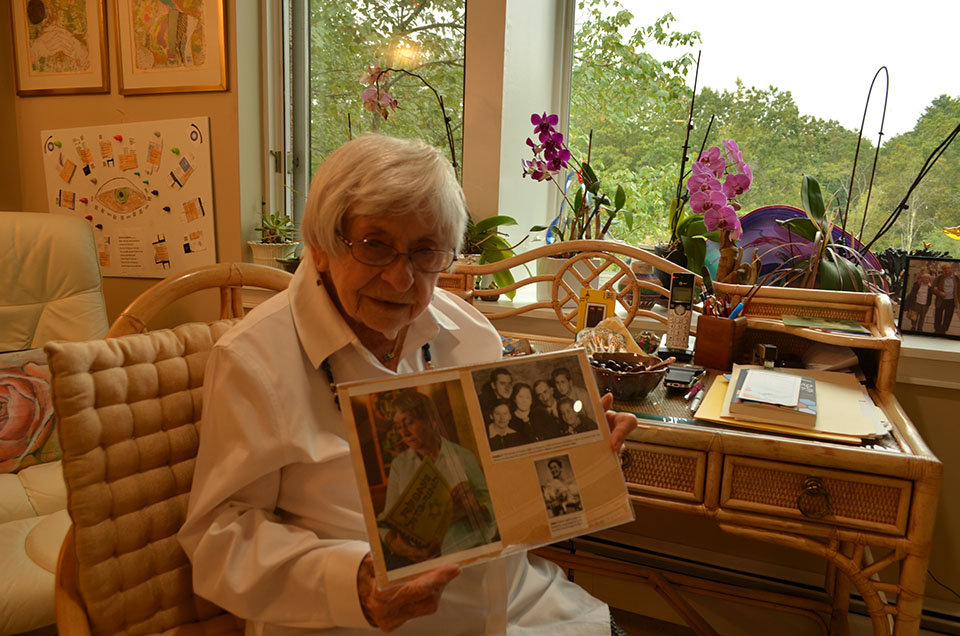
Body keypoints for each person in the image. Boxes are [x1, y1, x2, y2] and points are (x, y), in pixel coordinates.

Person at [177, 133, 638, 635]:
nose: (401, 279)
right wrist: (352, 583)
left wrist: (577, 462)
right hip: (358, 622)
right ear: (322, 247)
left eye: (425, 252)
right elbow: (219, 542)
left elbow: (501, 495)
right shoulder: (254, 360)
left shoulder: (470, 335)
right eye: (375, 246)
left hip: (517, 604)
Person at [380, 390, 495, 562]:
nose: (404, 433)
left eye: (409, 422)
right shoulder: (400, 465)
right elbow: (385, 521)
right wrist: (399, 547)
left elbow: (495, 505)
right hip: (425, 559)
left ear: (432, 422)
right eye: (398, 427)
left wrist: (477, 506)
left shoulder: (463, 456)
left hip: (470, 548)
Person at [932, 262, 960, 334]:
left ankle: (943, 330)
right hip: (941, 300)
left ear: (951, 269)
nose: (947, 270)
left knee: (948, 316)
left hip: (951, 300)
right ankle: (937, 330)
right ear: (943, 270)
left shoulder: (956, 278)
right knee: (938, 315)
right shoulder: (939, 278)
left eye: (948, 268)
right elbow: (933, 289)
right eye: (945, 269)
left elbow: (958, 290)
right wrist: (939, 293)